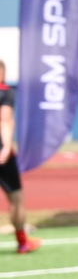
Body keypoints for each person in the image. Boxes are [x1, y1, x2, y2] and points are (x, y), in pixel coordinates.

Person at [0, 61, 41, 254]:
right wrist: (7, 147)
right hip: (2, 153)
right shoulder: (5, 91)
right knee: (16, 199)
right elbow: (5, 119)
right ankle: (22, 243)